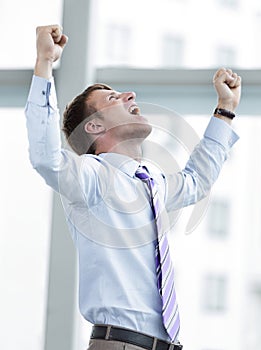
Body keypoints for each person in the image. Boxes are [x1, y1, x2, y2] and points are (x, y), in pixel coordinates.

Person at [25, 24, 241, 350]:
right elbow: (46, 157)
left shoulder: (151, 185)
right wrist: (44, 64)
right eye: (114, 97)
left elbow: (196, 182)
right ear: (94, 126)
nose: (131, 95)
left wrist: (225, 110)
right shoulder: (91, 179)